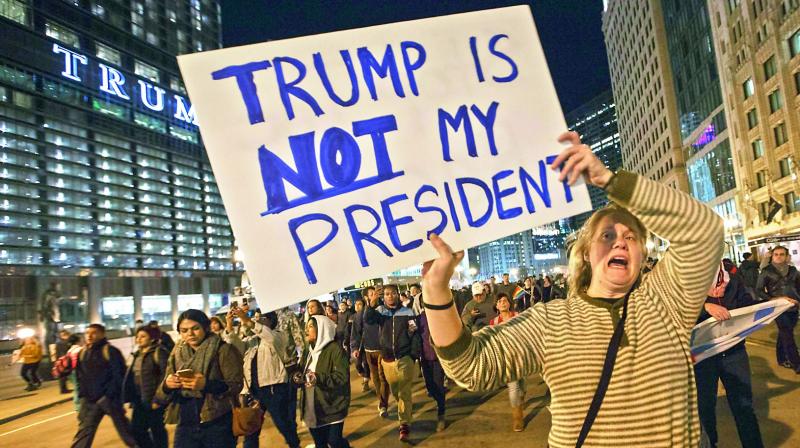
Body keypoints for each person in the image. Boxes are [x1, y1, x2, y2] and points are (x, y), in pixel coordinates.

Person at [420, 131, 725, 447]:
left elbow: (705, 230)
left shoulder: (667, 301)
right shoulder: (550, 322)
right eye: (607, 235)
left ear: (642, 255)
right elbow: (471, 366)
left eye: (631, 237)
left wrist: (608, 180)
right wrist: (435, 292)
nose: (620, 240)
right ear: (586, 254)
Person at [694, 261, 764, 448]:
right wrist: (705, 307)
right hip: (703, 357)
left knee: (744, 407)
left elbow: (748, 306)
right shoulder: (688, 282)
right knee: (705, 408)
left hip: (734, 353)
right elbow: (675, 310)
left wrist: (777, 302)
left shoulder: (733, 280)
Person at [155, 309, 243, 448]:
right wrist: (167, 384)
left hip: (217, 422)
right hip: (185, 422)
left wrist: (206, 384)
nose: (190, 334)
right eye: (184, 330)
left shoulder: (223, 349)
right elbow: (162, 389)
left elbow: (236, 384)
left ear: (205, 327)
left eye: (195, 328)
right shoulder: (176, 353)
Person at [364, 284, 421, 442]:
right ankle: (404, 411)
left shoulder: (408, 312)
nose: (390, 296)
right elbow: (367, 320)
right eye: (387, 294)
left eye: (393, 293)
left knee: (404, 392)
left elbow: (415, 334)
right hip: (387, 360)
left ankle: (404, 424)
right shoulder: (380, 312)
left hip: (404, 359)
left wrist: (413, 356)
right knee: (396, 392)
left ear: (398, 294)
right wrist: (372, 303)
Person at [238, 310, 301, 448]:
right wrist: (231, 326)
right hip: (253, 391)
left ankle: (294, 445)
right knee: (251, 430)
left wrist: (248, 321)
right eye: (255, 318)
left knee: (283, 423)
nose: (257, 321)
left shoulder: (278, 335)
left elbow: (269, 337)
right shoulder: (251, 340)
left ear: (271, 321)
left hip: (273, 389)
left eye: (260, 318)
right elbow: (234, 345)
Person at [71, 323, 137, 448]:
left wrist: (108, 394)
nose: (89, 336)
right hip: (89, 400)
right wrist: (82, 395)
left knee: (124, 429)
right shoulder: (83, 353)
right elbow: (79, 377)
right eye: (87, 333)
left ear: (102, 334)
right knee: (85, 431)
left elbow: (118, 375)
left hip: (108, 399)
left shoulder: (110, 351)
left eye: (93, 333)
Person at [300, 315, 351, 448]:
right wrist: (296, 376)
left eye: (310, 326)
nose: (306, 330)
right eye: (307, 326)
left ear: (321, 329)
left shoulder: (335, 350)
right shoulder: (308, 351)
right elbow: (301, 372)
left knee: (334, 441)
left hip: (332, 405)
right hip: (313, 407)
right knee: (320, 443)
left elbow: (342, 377)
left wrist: (318, 378)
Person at [755, 245, 800, 372]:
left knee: (784, 333)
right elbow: (758, 290)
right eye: (776, 254)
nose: (779, 256)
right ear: (772, 256)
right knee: (788, 335)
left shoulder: (793, 270)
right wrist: (773, 299)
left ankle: (781, 358)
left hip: (793, 306)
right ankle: (796, 363)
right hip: (778, 308)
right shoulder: (766, 271)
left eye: (782, 254)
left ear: (786, 256)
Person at [123, 325, 170, 448]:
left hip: (155, 399)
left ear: (152, 338)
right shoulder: (137, 354)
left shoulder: (159, 352)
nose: (139, 339)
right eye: (137, 336)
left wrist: (159, 399)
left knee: (157, 430)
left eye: (143, 336)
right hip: (139, 399)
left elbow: (166, 376)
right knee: (137, 430)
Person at [488, 292, 526, 432]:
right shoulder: (494, 322)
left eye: (505, 300)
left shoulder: (518, 316)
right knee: (513, 386)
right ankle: (517, 417)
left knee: (522, 384)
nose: (503, 302)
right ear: (496, 306)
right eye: (499, 301)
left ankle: (521, 399)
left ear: (509, 303)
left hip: (521, 355)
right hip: (507, 358)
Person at [355, 286, 390, 414]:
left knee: (383, 377)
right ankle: (382, 401)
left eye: (375, 293)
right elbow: (356, 333)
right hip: (369, 351)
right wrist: (355, 347)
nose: (374, 295)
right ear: (366, 297)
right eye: (371, 294)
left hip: (382, 349)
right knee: (375, 378)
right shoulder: (360, 314)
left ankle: (383, 404)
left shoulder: (383, 310)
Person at [417, 295, 447, 432]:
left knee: (439, 384)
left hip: (439, 356)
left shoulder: (440, 315)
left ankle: (441, 413)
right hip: (425, 357)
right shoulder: (418, 318)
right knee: (430, 386)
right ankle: (439, 401)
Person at [349, 298, 371, 392]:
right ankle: (364, 374)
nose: (357, 306)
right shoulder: (352, 317)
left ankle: (366, 381)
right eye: (356, 304)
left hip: (367, 344)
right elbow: (350, 333)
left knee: (366, 362)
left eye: (360, 304)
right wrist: (353, 347)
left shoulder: (368, 315)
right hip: (357, 344)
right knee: (358, 364)